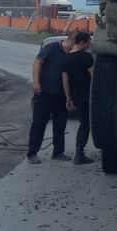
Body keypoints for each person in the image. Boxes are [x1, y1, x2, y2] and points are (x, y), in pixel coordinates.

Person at [28, 32, 73, 162]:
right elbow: (37, 62)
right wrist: (36, 82)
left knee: (60, 125)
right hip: (45, 94)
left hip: (61, 96)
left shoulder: (71, 54)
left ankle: (58, 153)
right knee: (39, 124)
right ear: (70, 40)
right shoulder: (52, 48)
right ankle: (32, 153)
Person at [61, 30, 95, 164]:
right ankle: (79, 153)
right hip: (88, 95)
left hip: (75, 96)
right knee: (86, 124)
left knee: (83, 123)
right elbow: (94, 77)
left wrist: (68, 98)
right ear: (82, 42)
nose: (89, 45)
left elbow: (65, 80)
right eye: (88, 42)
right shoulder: (86, 57)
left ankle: (79, 152)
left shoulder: (66, 58)